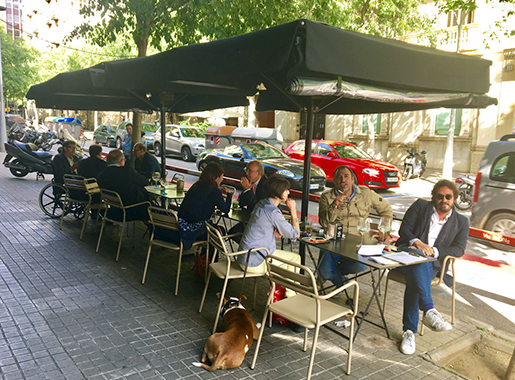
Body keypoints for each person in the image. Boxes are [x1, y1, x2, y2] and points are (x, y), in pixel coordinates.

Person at [396, 179, 468, 355]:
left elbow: (459, 249)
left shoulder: (461, 222)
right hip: (406, 255)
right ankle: (428, 310)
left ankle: (409, 331)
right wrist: (419, 243)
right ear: (434, 197)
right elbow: (404, 230)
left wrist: (434, 251)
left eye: (448, 197)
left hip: (432, 264)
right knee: (417, 262)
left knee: (415, 279)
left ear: (455, 198)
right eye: (440, 196)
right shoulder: (420, 206)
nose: (444, 200)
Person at [318, 165, 393, 286]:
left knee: (360, 266)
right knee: (325, 271)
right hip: (334, 241)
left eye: (346, 176)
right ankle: (343, 283)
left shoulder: (366, 193)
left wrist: (385, 231)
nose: (343, 180)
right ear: (334, 180)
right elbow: (323, 222)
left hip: (359, 242)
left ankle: (334, 276)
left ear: (353, 179)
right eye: (339, 177)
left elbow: (386, 210)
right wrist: (335, 204)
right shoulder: (327, 197)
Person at [237, 176, 301, 294]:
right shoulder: (273, 212)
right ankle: (290, 296)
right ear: (278, 191)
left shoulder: (262, 203)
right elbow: (295, 234)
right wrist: (293, 210)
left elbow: (262, 224)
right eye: (286, 189)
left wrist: (272, 230)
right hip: (254, 261)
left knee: (287, 264)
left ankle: (282, 293)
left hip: (244, 256)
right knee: (295, 259)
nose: (288, 192)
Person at [177, 162, 233, 250]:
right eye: (221, 177)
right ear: (216, 178)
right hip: (194, 228)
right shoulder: (214, 191)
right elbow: (225, 209)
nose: (222, 180)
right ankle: (209, 259)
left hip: (182, 225)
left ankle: (205, 257)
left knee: (213, 230)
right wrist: (229, 195)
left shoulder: (196, 185)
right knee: (219, 231)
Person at [97, 149, 150, 221]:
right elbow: (144, 182)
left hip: (111, 211)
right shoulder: (127, 171)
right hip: (130, 211)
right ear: (121, 161)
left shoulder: (101, 175)